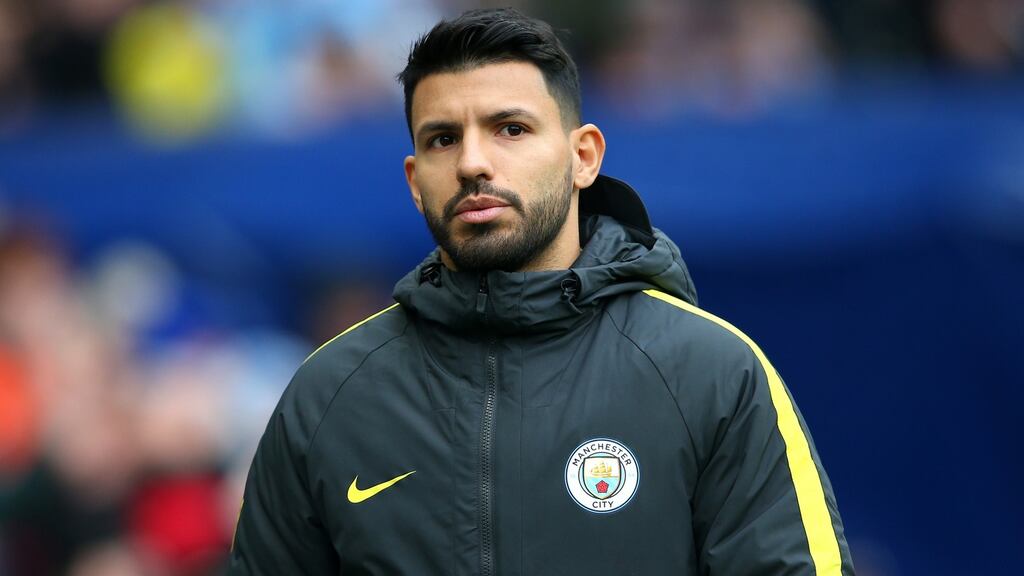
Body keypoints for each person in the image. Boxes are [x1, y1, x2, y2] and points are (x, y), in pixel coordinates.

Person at [228, 8, 855, 575]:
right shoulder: (329, 394)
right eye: (443, 138)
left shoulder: (714, 374)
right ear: (416, 180)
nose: (473, 162)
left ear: (584, 157)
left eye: (510, 129)